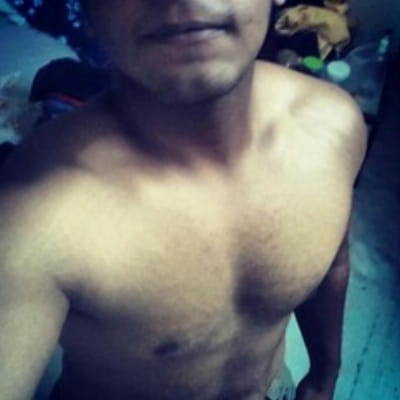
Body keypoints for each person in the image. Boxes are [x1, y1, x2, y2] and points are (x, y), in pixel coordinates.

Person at [0, 0, 367, 399]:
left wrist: (324, 374)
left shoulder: (333, 128)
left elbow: (332, 266)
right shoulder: (31, 215)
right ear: (87, 11)